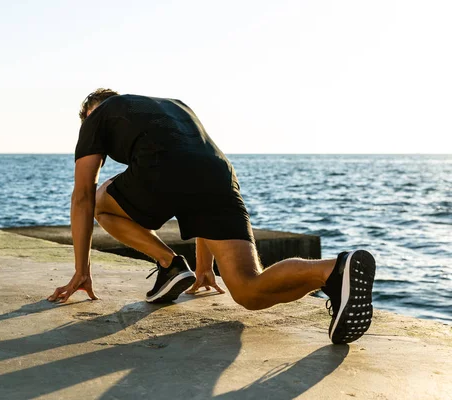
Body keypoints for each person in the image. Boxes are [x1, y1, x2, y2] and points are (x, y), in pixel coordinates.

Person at [48, 88, 376, 344]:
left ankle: (169, 264)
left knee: (102, 202)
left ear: (93, 111)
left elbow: (82, 197)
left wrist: (82, 271)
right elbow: (194, 175)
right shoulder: (173, 106)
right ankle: (334, 271)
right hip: (220, 174)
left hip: (163, 167)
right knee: (249, 291)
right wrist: (205, 266)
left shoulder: (97, 115)